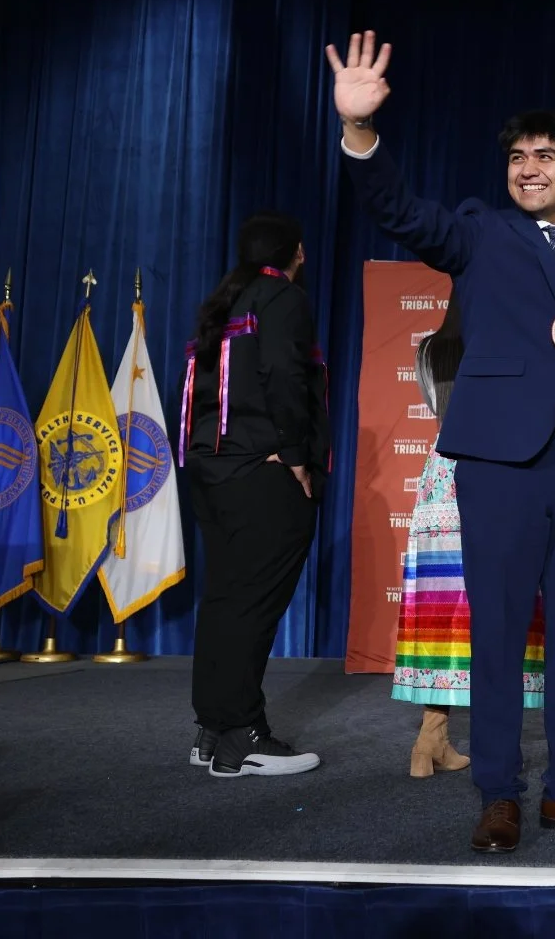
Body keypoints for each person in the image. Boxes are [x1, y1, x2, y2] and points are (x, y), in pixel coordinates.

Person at [327, 32, 555, 855]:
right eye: (517, 157)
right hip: (500, 460)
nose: (528, 167)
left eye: (546, 155)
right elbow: (400, 213)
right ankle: (498, 792)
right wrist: (360, 132)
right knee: (498, 634)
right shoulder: (479, 232)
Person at [182, 212, 330, 778]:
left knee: (225, 598)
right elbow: (283, 374)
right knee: (253, 601)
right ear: (297, 253)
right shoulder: (280, 297)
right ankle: (244, 735)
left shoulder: (224, 300)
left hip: (212, 466)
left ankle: (214, 730)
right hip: (262, 471)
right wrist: (293, 453)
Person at [393, 290, 547, 778]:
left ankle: (430, 739)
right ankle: (496, 744)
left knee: (445, 610)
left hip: (440, 473)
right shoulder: (502, 342)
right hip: (492, 467)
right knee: (498, 606)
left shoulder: (430, 349)